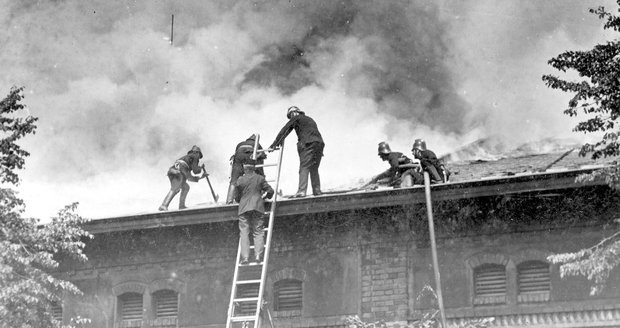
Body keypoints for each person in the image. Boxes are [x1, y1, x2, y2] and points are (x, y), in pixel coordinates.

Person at [268, 106, 324, 198]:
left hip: (307, 144)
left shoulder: (296, 118)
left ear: (293, 113)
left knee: (304, 167)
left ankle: (301, 191)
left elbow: (285, 129)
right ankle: (317, 190)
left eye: (290, 116)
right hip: (319, 144)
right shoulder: (310, 119)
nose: (290, 118)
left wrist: (274, 144)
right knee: (314, 168)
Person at [235, 161, 274, 264]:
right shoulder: (260, 178)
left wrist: (242, 199)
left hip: (243, 208)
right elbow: (270, 191)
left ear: (245, 169)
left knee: (244, 233)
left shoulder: (240, 180)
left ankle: (245, 258)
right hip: (257, 207)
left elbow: (236, 197)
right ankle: (258, 256)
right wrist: (265, 197)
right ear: (254, 168)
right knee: (258, 232)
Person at [158, 145, 206, 211]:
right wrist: (200, 168)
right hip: (178, 172)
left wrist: (201, 177)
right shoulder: (195, 156)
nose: (198, 158)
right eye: (199, 155)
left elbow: (189, 178)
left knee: (186, 187)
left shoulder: (187, 161)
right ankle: (163, 205)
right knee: (175, 188)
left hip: (172, 172)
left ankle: (181, 205)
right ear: (197, 152)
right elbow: (195, 171)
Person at [226, 135, 266, 204]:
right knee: (258, 174)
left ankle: (229, 200)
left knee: (234, 179)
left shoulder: (240, 143)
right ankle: (260, 193)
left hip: (238, 156)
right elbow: (262, 155)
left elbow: (236, 153)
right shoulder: (256, 144)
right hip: (249, 155)